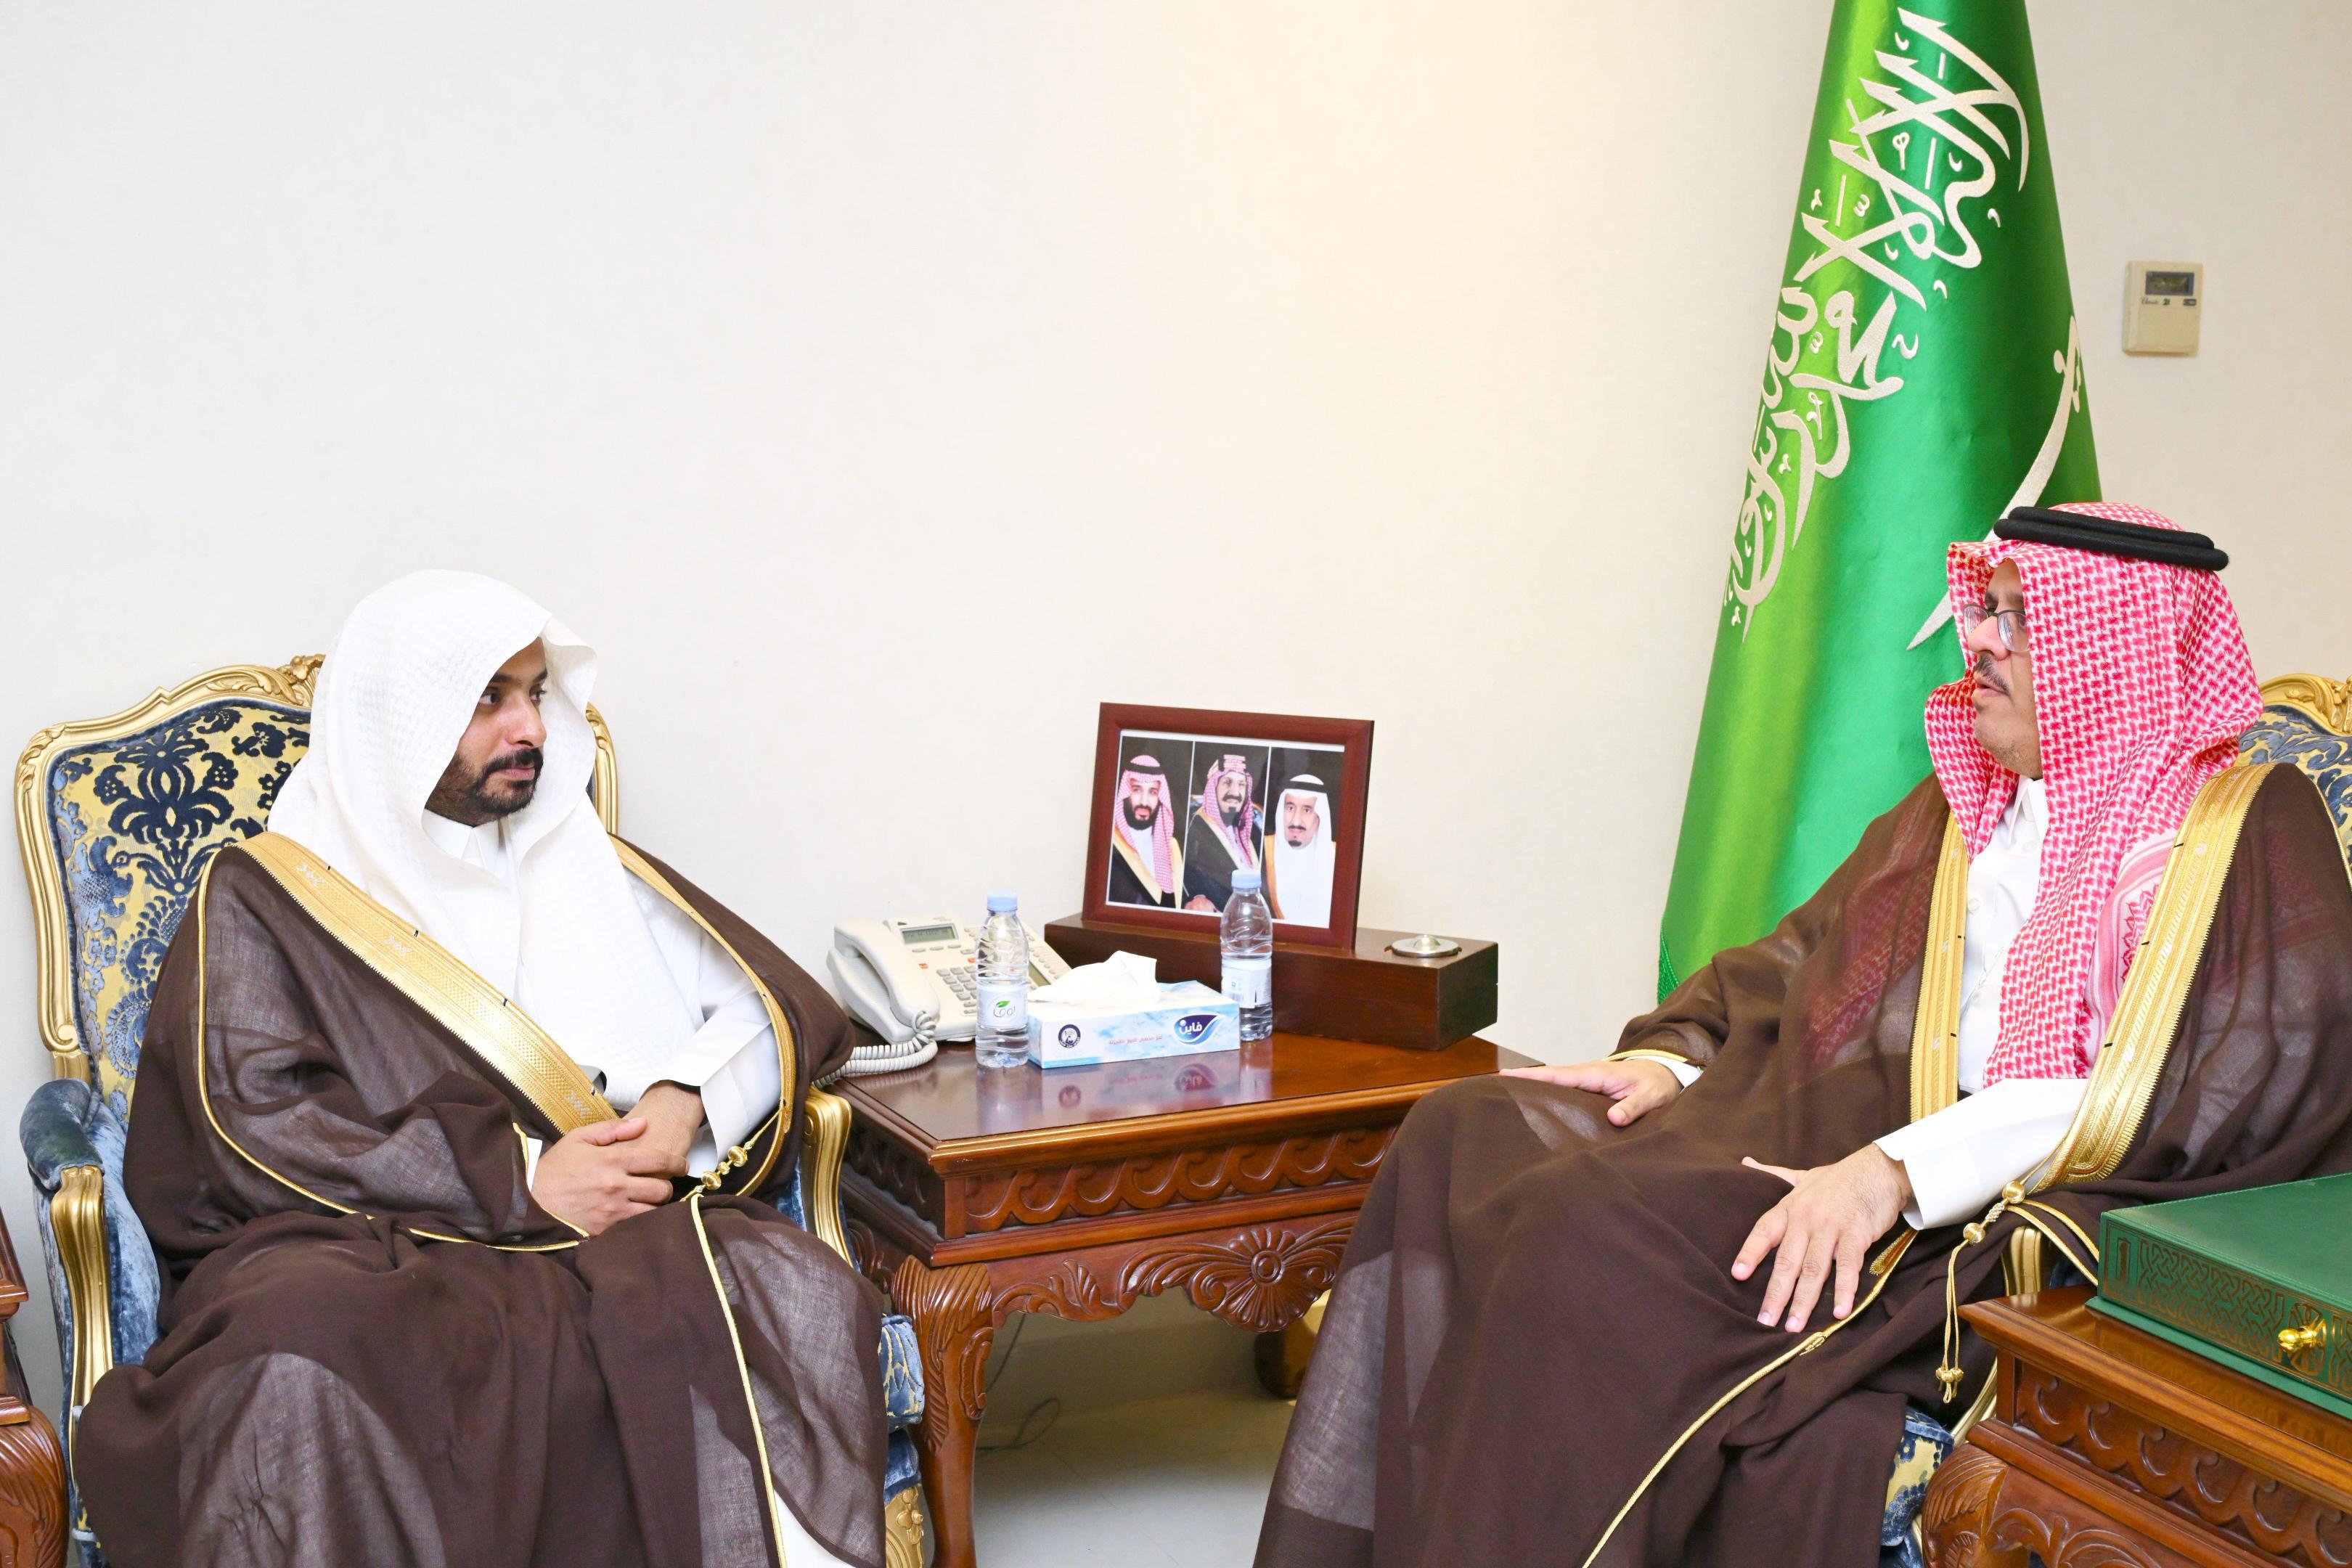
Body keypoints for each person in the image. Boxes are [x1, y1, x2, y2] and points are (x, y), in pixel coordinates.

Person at [1255, 504, 2352, 1568]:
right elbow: (1805, 953)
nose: (1979, 641)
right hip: (1829, 1119)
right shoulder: (1969, 800)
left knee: (1580, 1235)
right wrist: (1674, 1056)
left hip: (1979, 1211)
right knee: (1462, 1131)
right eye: (1985, 610)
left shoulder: (2243, 830)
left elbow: (2186, 1089)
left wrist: (1890, 1175)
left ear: (2114, 650)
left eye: (2020, 619)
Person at [78, 571, 889, 1568]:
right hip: (360, 1239)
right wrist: (522, 1181)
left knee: (787, 1290)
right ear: (399, 718)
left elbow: (767, 1011)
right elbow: (260, 1117)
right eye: (488, 698)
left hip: (608, 1235)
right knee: (293, 1360)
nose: (530, 728)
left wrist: (682, 1104)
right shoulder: (265, 892)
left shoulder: (574, 855)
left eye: (536, 693)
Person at [1183, 750, 1265, 912]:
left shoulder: (1254, 831)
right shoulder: (1196, 828)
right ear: (1214, 787)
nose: (1235, 792)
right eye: (1227, 782)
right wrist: (1195, 898)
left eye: (1241, 784)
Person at [1107, 748, 1186, 908]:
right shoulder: (1111, 844)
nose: (1144, 801)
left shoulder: (1172, 847)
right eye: (1136, 790)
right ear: (1125, 793)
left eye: (1153, 792)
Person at [1264, 772, 1336, 926]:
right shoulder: (1262, 851)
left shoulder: (1338, 858)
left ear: (1320, 816)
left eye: (1307, 810)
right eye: (1290, 808)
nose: (1296, 821)